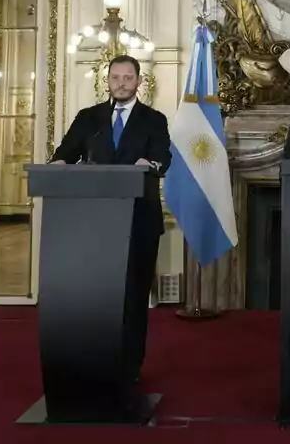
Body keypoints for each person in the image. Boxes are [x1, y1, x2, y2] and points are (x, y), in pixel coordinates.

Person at [50, 54, 171, 383]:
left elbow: (164, 156)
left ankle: (130, 366)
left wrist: (151, 164)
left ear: (138, 81)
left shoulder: (154, 119)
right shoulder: (89, 118)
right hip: (94, 223)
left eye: (127, 77)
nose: (121, 83)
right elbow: (66, 152)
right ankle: (96, 361)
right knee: (97, 296)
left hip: (140, 222)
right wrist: (57, 165)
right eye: (115, 77)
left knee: (133, 296)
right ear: (107, 81)